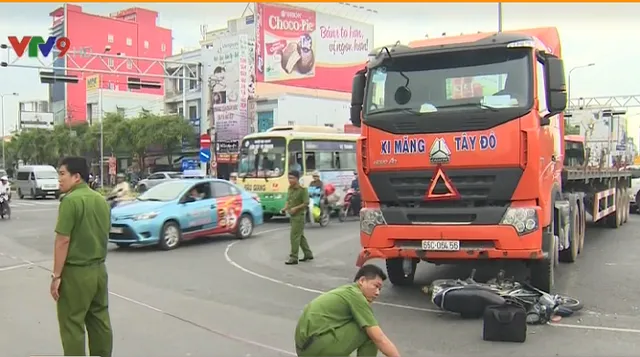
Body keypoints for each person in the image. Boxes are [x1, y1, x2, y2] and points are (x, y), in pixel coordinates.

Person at [52, 156, 113, 357]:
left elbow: (63, 241)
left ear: (76, 177)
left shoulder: (70, 201)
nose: (59, 179)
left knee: (72, 324)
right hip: (99, 271)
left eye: (62, 174)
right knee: (99, 320)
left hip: (76, 273)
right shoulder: (101, 200)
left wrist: (56, 276)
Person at [294, 264, 401, 357]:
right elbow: (379, 338)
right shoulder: (356, 296)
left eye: (380, 289)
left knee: (362, 325)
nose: (377, 293)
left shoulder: (346, 291)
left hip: (306, 347)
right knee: (370, 332)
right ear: (362, 281)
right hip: (315, 347)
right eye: (376, 286)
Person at [281, 170, 313, 265]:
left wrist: (296, 208)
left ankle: (294, 257)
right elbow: (288, 200)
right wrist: (285, 208)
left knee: (294, 237)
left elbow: (306, 203)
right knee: (300, 236)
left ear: (297, 179)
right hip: (292, 215)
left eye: (292, 178)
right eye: (289, 178)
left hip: (299, 216)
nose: (290, 180)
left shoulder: (303, 190)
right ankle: (308, 253)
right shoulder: (290, 188)